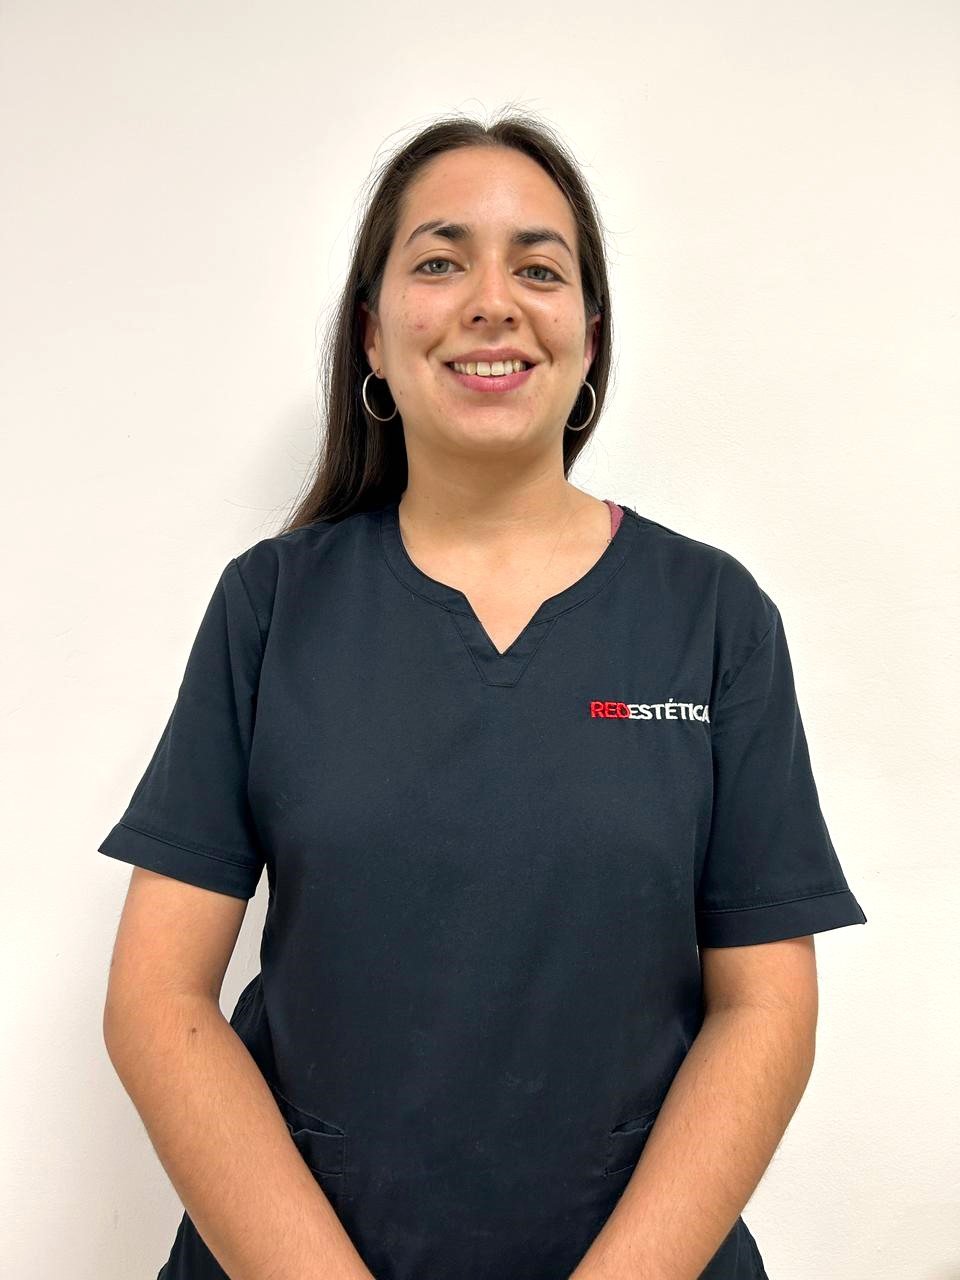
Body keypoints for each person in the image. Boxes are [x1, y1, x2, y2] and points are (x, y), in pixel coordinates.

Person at [99, 110, 868, 1280]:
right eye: (441, 262)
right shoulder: (271, 606)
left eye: (540, 268)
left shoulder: (713, 616)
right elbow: (158, 998)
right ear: (372, 332)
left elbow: (765, 1008)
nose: (492, 301)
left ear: (591, 339)